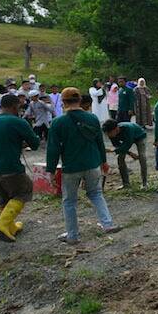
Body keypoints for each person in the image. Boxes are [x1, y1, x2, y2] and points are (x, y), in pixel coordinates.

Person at [46, 88, 120, 244]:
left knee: (70, 201)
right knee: (96, 193)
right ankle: (107, 224)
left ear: (64, 102)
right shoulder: (92, 118)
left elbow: (53, 148)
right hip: (92, 164)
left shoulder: (58, 122)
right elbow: (100, 142)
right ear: (80, 100)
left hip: (71, 167)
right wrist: (104, 162)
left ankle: (72, 236)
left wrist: (51, 171)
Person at [0, 93, 40, 242]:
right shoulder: (18, 122)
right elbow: (35, 144)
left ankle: (10, 226)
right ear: (15, 106)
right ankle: (2, 225)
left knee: (2, 199)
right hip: (10, 167)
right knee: (23, 191)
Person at [102, 119, 149, 189]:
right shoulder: (111, 134)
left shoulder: (127, 129)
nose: (108, 135)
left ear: (116, 129)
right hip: (127, 140)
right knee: (120, 158)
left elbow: (127, 144)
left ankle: (145, 183)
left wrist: (112, 151)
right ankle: (126, 184)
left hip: (139, 136)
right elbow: (118, 145)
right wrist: (130, 153)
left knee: (142, 157)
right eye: (107, 133)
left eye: (109, 133)